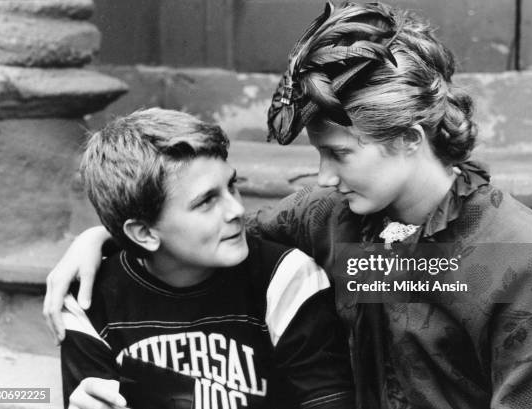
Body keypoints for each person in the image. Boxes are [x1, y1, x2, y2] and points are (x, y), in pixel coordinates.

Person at [45, 2, 532, 409]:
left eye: (340, 154)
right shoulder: (329, 218)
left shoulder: (523, 260)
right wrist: (97, 238)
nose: (324, 176)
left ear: (409, 138)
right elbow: (211, 230)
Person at [58, 108, 354, 409]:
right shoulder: (89, 302)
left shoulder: (290, 274)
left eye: (231, 186)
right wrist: (99, 237)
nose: (236, 209)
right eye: (206, 201)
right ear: (144, 233)